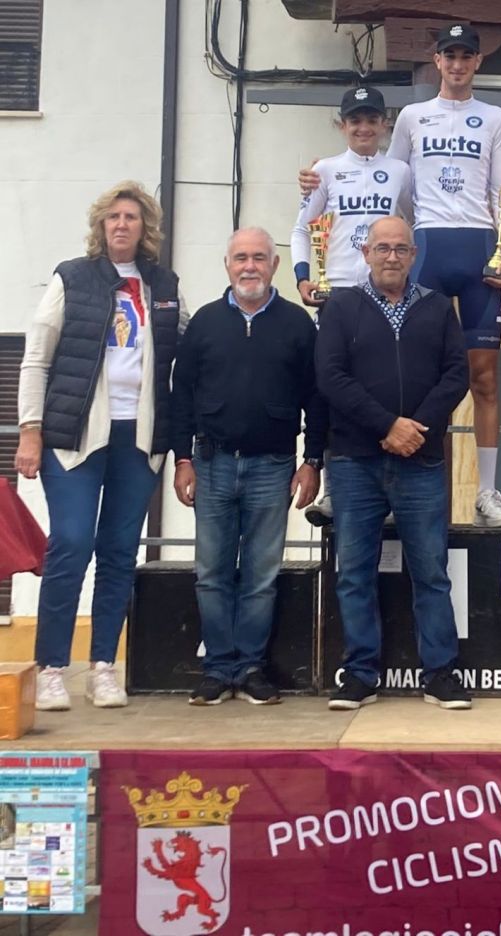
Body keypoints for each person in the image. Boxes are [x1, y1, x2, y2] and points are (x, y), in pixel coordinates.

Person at [301, 23, 501, 528]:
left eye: (466, 56)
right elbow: (386, 183)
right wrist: (320, 176)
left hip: (480, 246)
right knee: (411, 371)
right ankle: (405, 470)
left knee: (485, 378)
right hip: (428, 248)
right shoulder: (414, 118)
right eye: (449, 56)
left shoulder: (496, 117)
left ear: (477, 62)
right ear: (437, 61)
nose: (457, 64)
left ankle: (487, 490)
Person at [15, 181, 187, 711]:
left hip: (139, 439)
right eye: (113, 216)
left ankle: (104, 666)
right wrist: (30, 428)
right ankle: (51, 668)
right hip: (75, 438)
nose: (121, 224)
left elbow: (191, 348)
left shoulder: (163, 284)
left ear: (145, 227)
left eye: (131, 217)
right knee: (71, 543)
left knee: (119, 550)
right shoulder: (72, 277)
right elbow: (37, 357)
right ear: (101, 225)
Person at [316, 217, 472, 710]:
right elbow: (330, 377)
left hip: (420, 459)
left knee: (431, 572)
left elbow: (457, 375)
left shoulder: (437, 308)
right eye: (382, 248)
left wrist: (414, 428)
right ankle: (360, 675)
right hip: (354, 462)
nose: (391, 256)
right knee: (354, 573)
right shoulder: (340, 306)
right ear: (365, 253)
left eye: (401, 248)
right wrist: (386, 426)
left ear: (413, 255)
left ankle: (440, 674)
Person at [171, 227, 327, 706]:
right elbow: (181, 397)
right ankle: (219, 669)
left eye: (259, 257)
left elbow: (317, 399)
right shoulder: (205, 323)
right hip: (211, 465)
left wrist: (312, 461)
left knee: (261, 576)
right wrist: (181, 459)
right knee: (211, 573)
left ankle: (252, 668)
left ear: (274, 265)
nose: (249, 266)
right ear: (227, 265)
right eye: (241, 258)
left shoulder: (297, 325)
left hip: (273, 468)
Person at [290, 85, 412, 527]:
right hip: (337, 291)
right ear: (342, 125)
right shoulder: (324, 170)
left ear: (384, 124)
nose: (364, 128)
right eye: (355, 120)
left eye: (371, 119)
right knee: (333, 388)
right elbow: (301, 229)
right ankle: (332, 487)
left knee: (385, 386)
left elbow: (415, 221)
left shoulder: (400, 170)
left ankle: (389, 487)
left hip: (385, 293)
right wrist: (303, 276)